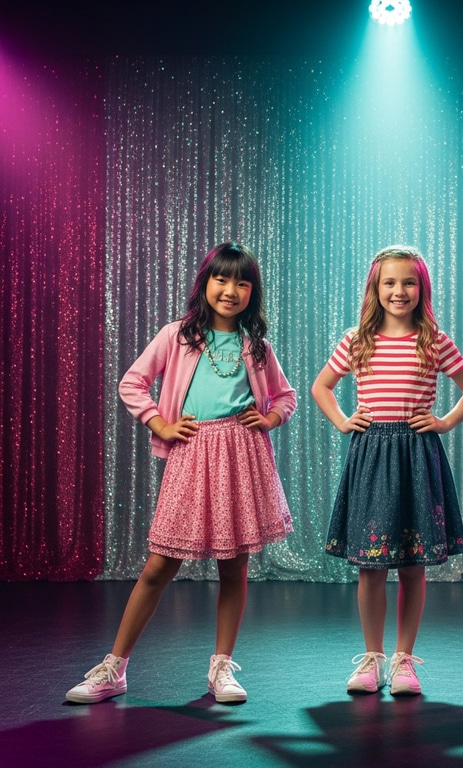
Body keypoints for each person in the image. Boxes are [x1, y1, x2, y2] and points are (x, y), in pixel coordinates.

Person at [65, 242, 296, 705]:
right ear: (205, 284)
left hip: (242, 454)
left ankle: (221, 668)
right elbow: (132, 382)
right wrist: (161, 424)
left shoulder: (256, 345)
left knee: (234, 567)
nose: (231, 290)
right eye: (222, 279)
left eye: (242, 282)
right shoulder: (177, 335)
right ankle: (115, 668)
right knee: (159, 565)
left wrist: (269, 418)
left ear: (253, 291)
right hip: (192, 453)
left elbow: (285, 396)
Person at [312, 245, 463, 696]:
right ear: (375, 288)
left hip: (416, 457)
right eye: (389, 282)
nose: (399, 290)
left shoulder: (434, 340)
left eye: (408, 282)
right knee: (370, 567)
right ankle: (372, 659)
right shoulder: (357, 340)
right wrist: (343, 420)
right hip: (371, 455)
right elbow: (321, 387)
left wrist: (444, 421)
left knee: (411, 565)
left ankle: (404, 661)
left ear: (421, 288)